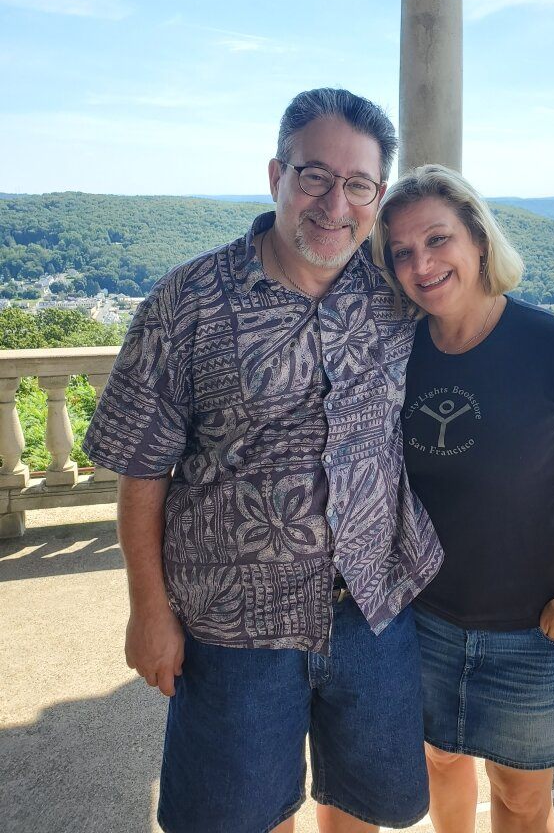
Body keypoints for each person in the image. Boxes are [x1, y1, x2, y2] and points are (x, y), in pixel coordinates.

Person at [82, 89, 443, 833]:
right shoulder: (187, 302)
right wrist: (148, 611)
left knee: (361, 806)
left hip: (370, 611)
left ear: (377, 197)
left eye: (358, 185)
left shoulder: (396, 293)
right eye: (314, 176)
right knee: (238, 817)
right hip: (232, 626)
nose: (333, 203)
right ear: (276, 174)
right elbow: (142, 470)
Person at [372, 165, 554, 833]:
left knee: (520, 798)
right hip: (426, 620)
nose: (421, 263)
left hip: (531, 630)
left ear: (479, 241)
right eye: (402, 252)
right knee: (440, 766)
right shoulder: (400, 353)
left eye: (438, 240)